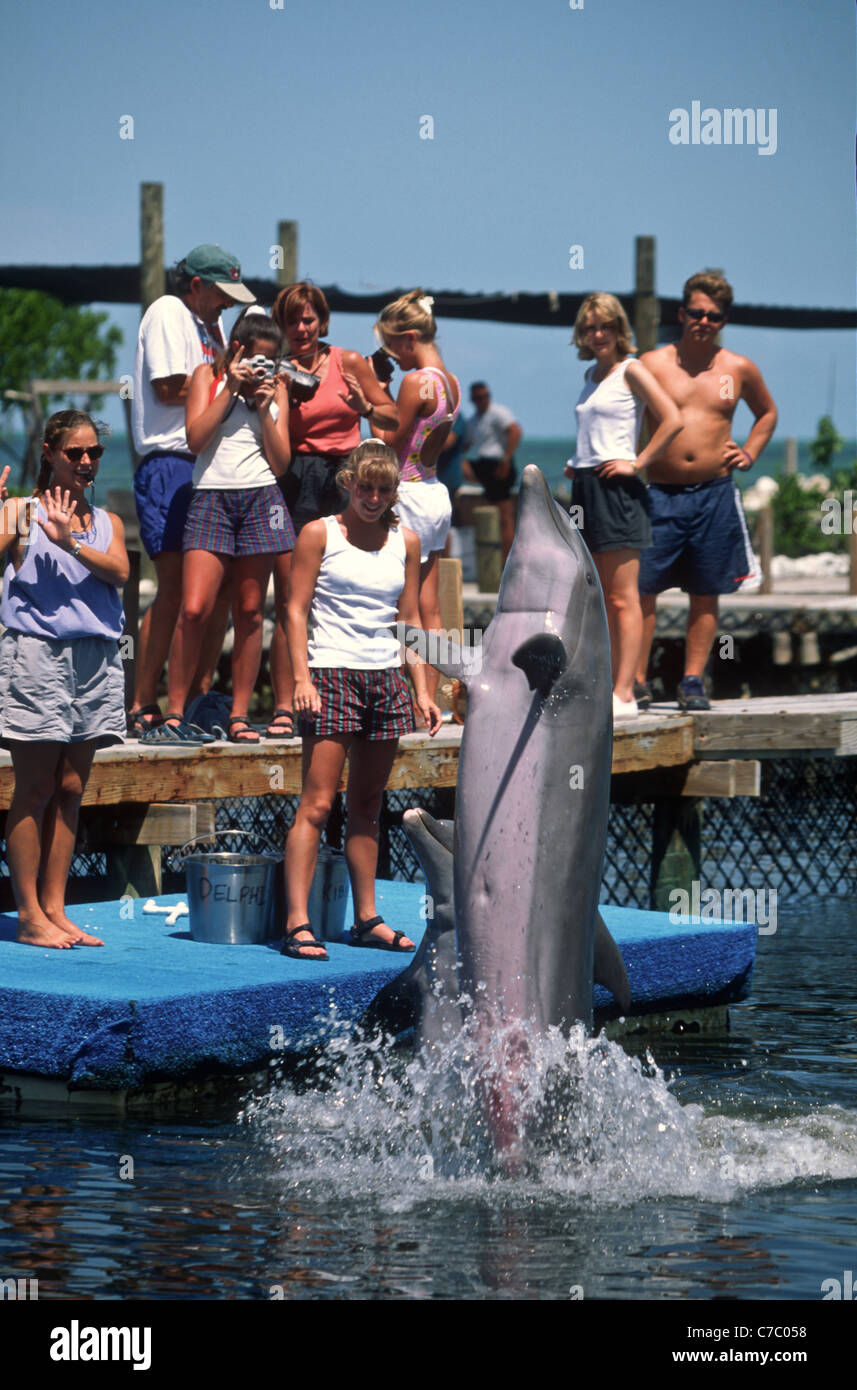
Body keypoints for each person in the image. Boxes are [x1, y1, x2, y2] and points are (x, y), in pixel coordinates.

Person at [283, 440, 441, 960]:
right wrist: (301, 680)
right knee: (318, 802)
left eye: (384, 488)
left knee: (369, 805)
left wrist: (422, 688)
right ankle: (298, 922)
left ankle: (366, 917)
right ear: (348, 482)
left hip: (386, 678)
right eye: (365, 486)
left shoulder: (407, 541)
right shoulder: (318, 533)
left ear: (396, 491)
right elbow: (294, 610)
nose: (373, 497)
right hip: (330, 672)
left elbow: (410, 619)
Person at [0, 411, 129, 948]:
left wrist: (70, 541)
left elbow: (120, 571)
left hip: (96, 656)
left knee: (73, 788)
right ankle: (28, 913)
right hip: (37, 654)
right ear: (49, 453)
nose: (85, 462)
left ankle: (56, 906)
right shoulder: (17, 511)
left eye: (94, 453)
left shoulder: (107, 522)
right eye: (74, 452)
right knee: (35, 786)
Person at [142, 312, 293, 744]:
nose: (262, 367)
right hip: (210, 497)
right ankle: (175, 712)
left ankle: (240, 715)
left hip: (261, 497)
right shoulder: (207, 376)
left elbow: (282, 463)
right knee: (194, 608)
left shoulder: (277, 388)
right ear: (238, 349)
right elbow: (195, 439)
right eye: (255, 358)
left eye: (271, 360)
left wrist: (264, 407)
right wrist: (231, 387)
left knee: (248, 612)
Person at [128, 244, 256, 736]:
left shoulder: (212, 326)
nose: (227, 304)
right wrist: (232, 383)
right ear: (196, 285)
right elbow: (168, 387)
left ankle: (199, 697)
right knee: (176, 588)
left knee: (219, 587)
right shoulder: (168, 311)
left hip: (210, 465)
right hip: (171, 462)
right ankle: (143, 703)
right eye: (222, 294)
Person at [635, 270, 777, 710]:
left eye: (714, 316)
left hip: (714, 492)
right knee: (642, 586)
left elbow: (767, 412)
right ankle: (635, 680)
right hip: (658, 492)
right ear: (681, 314)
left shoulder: (737, 368)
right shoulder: (653, 364)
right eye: (696, 312)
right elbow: (618, 413)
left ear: (723, 321)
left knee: (705, 589)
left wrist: (750, 453)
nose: (704, 321)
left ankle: (693, 680)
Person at [265, 282, 399, 738]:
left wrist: (366, 405)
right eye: (291, 321)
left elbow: (392, 417)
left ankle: (360, 687)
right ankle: (285, 705)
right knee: (289, 597)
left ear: (322, 321)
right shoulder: (277, 370)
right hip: (294, 478)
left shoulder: (349, 361)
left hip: (345, 475)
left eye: (308, 319)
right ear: (280, 326)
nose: (301, 328)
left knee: (351, 586)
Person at [564, 293, 682, 719]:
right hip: (588, 485)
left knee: (622, 597)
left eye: (605, 326)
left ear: (619, 330)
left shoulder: (632, 369)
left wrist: (639, 462)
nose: (597, 334)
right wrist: (578, 462)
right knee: (597, 597)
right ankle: (612, 684)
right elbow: (596, 432)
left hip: (619, 491)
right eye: (591, 327)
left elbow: (672, 417)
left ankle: (626, 692)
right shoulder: (591, 374)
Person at [371, 290, 461, 696]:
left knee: (407, 610)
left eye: (392, 347)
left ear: (409, 338)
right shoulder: (450, 382)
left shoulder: (415, 382)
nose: (393, 356)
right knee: (432, 608)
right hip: (434, 491)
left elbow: (387, 442)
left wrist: (369, 399)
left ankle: (417, 697)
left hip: (406, 495)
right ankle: (440, 696)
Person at [462, 382, 522, 561]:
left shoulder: (498, 413)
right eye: (479, 397)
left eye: (486, 396)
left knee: (504, 517)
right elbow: (464, 446)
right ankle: (493, 559)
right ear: (473, 399)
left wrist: (506, 458)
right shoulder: (473, 421)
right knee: (492, 516)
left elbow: (515, 431)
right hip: (484, 465)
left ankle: (508, 561)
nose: (483, 400)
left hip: (499, 463)